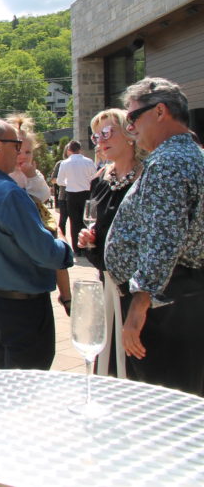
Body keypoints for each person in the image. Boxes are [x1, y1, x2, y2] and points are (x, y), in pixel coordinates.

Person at [105, 78, 204, 395]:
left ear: (160, 111)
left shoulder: (168, 163)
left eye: (133, 118)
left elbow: (162, 241)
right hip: (181, 303)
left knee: (163, 408)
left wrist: (138, 306)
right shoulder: (192, 155)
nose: (131, 128)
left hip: (164, 311)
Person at [0, 118, 73, 369]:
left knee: (4, 375)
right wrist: (62, 240)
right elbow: (47, 254)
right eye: (16, 144)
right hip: (23, 306)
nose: (19, 151)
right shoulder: (8, 193)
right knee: (27, 385)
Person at [76, 108, 142, 377]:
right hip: (106, 282)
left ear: (129, 133)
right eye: (95, 135)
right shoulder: (99, 180)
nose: (100, 140)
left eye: (106, 132)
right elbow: (96, 225)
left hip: (139, 288)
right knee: (108, 362)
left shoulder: (148, 177)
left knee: (135, 362)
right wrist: (87, 239)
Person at [6, 113, 71, 314]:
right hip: (16, 224)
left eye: (27, 151)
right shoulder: (3, 172)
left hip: (37, 221)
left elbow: (43, 196)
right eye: (18, 151)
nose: (23, 156)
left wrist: (32, 175)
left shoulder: (31, 173)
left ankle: (66, 294)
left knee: (58, 247)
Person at [56, 140, 98, 254]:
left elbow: (60, 181)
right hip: (86, 193)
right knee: (86, 221)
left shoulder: (65, 163)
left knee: (74, 222)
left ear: (69, 150)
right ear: (80, 149)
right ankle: (87, 246)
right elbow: (94, 177)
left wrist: (69, 182)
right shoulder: (88, 161)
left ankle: (77, 249)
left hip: (72, 194)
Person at [50, 158, 69, 233]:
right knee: (63, 220)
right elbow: (53, 180)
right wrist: (69, 181)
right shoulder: (60, 163)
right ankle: (62, 240)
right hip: (63, 196)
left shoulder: (82, 162)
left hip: (79, 196)